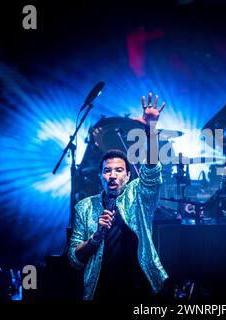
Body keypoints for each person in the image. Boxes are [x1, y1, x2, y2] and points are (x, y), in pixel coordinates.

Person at [68, 93, 168, 301]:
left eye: (119, 170)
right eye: (107, 170)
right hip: (100, 290)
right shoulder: (84, 207)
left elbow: (152, 173)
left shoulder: (138, 196)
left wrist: (150, 129)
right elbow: (74, 259)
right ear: (100, 175)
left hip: (140, 288)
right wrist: (95, 238)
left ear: (128, 175)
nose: (112, 175)